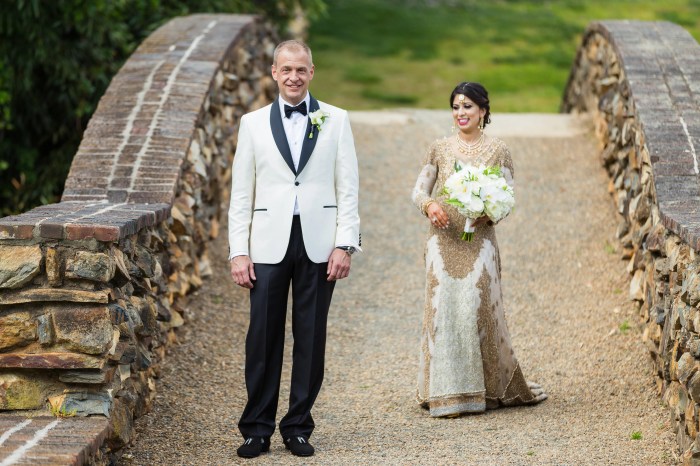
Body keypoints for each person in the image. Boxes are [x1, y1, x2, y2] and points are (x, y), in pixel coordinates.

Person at [228, 40, 361, 458]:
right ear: (273, 72)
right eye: (286, 69)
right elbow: (240, 193)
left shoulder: (336, 120)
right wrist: (238, 251)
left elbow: (349, 186)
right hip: (267, 242)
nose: (293, 77)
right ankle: (256, 428)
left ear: (312, 71)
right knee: (262, 337)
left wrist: (345, 244)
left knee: (310, 336)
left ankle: (298, 426)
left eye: (301, 69)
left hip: (319, 243)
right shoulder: (251, 124)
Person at [411, 81, 546, 418]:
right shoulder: (439, 148)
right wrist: (430, 206)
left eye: (468, 107)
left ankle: (484, 391)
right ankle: (442, 393)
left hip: (480, 242)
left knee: (476, 307)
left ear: (483, 110)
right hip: (442, 241)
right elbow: (419, 190)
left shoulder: (498, 150)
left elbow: (507, 198)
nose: (461, 113)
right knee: (444, 310)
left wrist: (486, 211)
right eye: (456, 106)